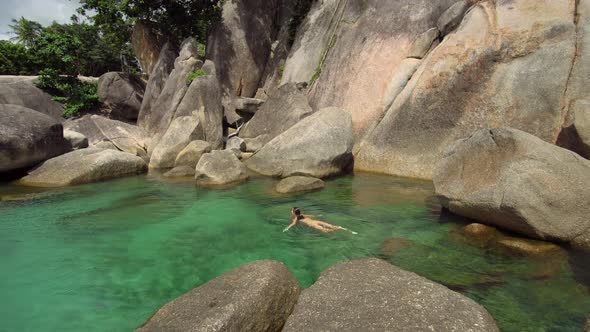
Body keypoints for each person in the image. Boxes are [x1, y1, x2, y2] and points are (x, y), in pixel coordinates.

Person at [283, 207, 357, 234]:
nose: (291, 211)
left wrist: (286, 228)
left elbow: (293, 224)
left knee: (326, 231)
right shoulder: (302, 215)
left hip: (313, 225)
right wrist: (317, 216)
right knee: (330, 225)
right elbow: (310, 215)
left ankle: (339, 228)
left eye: (291, 211)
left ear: (294, 213)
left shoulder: (296, 218)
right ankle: (342, 228)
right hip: (315, 221)